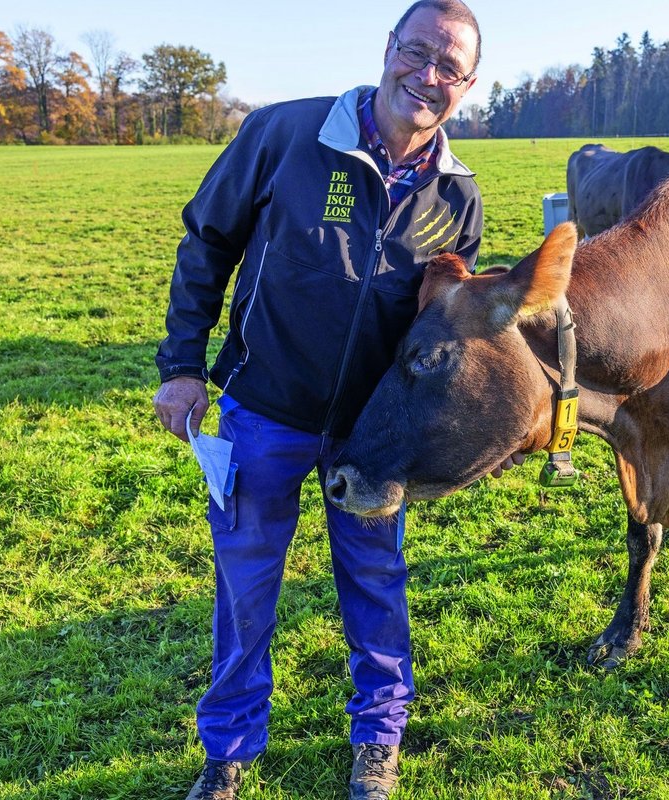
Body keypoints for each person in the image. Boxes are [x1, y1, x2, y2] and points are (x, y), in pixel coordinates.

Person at [152, 2, 482, 798]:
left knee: (376, 578)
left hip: (372, 432)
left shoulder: (458, 196)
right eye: (417, 52)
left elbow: (440, 334)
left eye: (449, 68)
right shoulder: (286, 133)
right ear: (389, 48)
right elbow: (207, 243)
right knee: (247, 587)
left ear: (468, 86)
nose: (427, 76)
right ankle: (228, 749)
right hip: (263, 411)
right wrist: (183, 365)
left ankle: (379, 738)